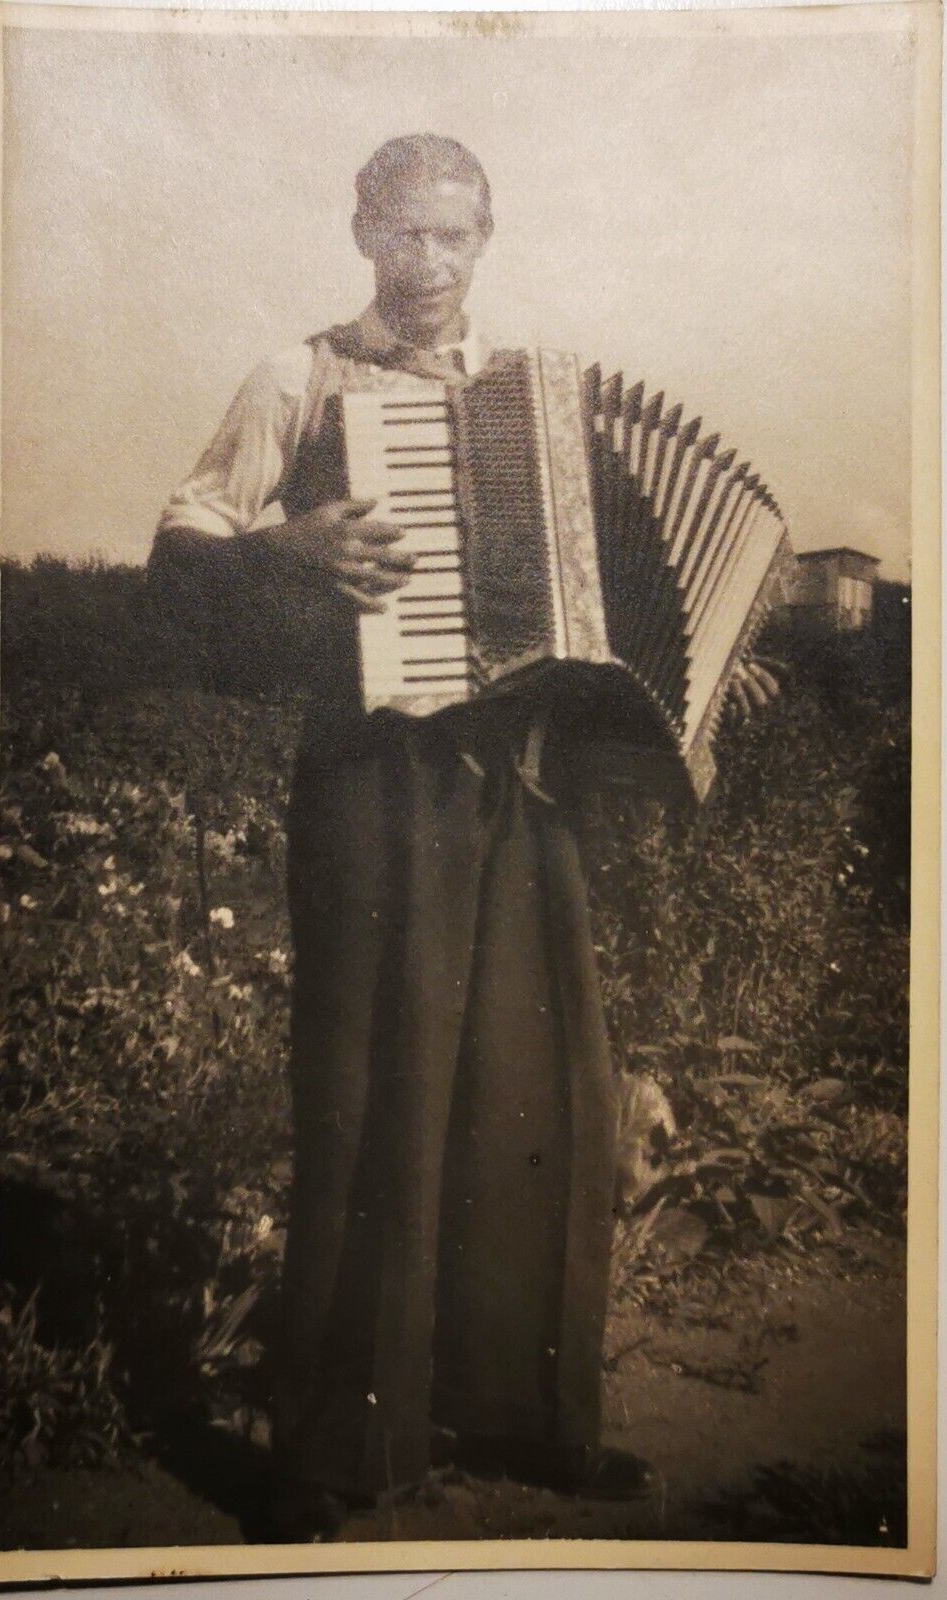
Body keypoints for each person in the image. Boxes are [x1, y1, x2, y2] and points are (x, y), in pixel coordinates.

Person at [148, 133, 778, 1541]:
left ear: (485, 240)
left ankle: (524, 1421)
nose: (425, 268)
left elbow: (612, 628)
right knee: (367, 1097)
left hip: (523, 786)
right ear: (359, 230)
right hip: (375, 784)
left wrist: (705, 680)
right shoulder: (297, 377)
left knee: (539, 1090)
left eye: (452, 239)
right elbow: (177, 558)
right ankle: (327, 1454)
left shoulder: (538, 403)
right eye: (401, 236)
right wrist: (283, 548)